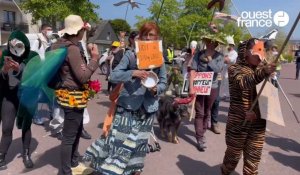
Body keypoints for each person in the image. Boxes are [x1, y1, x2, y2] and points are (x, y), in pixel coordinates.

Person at [84, 21, 167, 175]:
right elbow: (114, 75)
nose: (148, 38)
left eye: (152, 35)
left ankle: (135, 171)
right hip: (127, 106)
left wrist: (156, 89)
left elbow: (163, 82)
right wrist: (133, 73)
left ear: (157, 38)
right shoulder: (131, 54)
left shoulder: (159, 58)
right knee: (119, 143)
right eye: (145, 35)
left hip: (148, 109)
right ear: (140, 37)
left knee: (139, 146)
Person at [49, 15, 100, 175]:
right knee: (69, 136)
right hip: (74, 97)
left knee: (76, 130)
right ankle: (66, 171)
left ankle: (73, 162)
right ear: (78, 30)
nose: (84, 32)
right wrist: (95, 59)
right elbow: (83, 76)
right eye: (83, 30)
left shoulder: (57, 45)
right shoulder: (72, 48)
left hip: (65, 94)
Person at [221, 38, 276, 175]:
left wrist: (268, 76)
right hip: (238, 124)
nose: (260, 55)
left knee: (252, 163)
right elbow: (243, 83)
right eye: (257, 51)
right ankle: (225, 170)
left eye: (262, 51)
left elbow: (268, 98)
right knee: (232, 159)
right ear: (246, 52)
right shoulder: (235, 69)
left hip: (257, 124)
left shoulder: (263, 71)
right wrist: (262, 73)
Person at [0, 30, 39, 169]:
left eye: (20, 46)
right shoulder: (5, 55)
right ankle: (1, 156)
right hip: (9, 97)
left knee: (26, 126)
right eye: (14, 46)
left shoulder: (32, 56)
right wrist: (4, 70)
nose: (16, 50)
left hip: (26, 97)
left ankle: (26, 154)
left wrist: (21, 69)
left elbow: (36, 77)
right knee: (6, 128)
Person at [189, 32, 225, 152]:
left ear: (216, 44)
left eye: (214, 42)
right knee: (199, 112)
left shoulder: (220, 56)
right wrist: (191, 87)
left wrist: (209, 59)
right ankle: (200, 138)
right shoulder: (198, 55)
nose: (211, 44)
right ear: (205, 42)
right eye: (209, 41)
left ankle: (203, 131)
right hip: (200, 85)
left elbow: (217, 69)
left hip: (213, 87)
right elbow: (193, 69)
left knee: (207, 111)